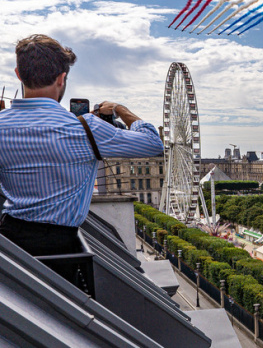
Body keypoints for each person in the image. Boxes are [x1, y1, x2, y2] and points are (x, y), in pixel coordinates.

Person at [0, 34, 164, 256]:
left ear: (18, 74)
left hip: (8, 243)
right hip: (60, 248)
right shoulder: (87, 129)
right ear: (61, 78)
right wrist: (120, 109)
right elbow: (153, 143)